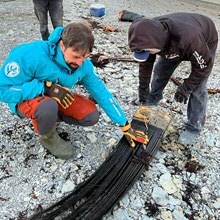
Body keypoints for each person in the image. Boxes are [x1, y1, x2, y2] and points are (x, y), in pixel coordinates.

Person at [0, 22, 148, 159]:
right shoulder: (30, 54)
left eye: (85, 57)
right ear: (63, 46)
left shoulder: (83, 65)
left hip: (58, 97)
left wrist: (124, 124)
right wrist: (44, 88)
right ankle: (48, 137)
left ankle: (50, 116)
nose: (79, 63)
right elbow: (3, 90)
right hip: (24, 100)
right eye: (76, 56)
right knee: (47, 106)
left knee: (90, 115)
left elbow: (101, 93)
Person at [128, 12, 218, 145]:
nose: (147, 54)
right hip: (172, 44)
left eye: (149, 51)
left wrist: (185, 88)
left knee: (198, 87)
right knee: (160, 70)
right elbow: (146, 67)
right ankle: (153, 98)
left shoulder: (190, 39)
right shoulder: (147, 35)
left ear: (156, 44)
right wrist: (143, 92)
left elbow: (204, 67)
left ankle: (194, 127)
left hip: (203, 38)